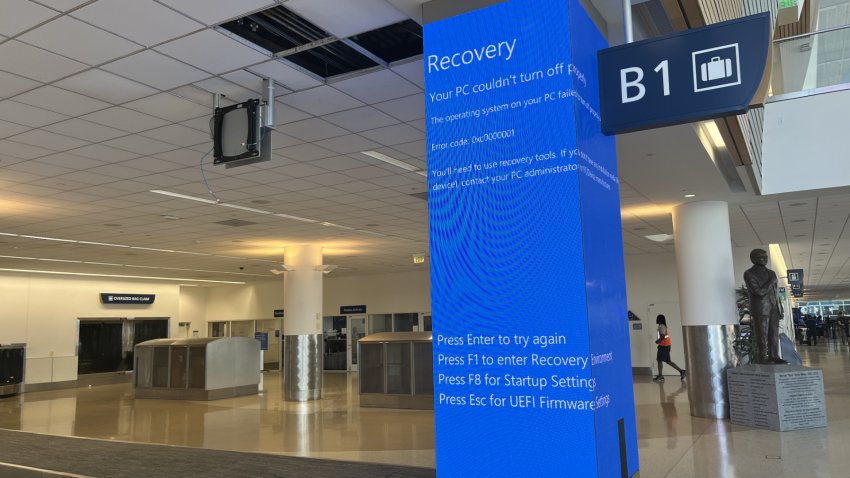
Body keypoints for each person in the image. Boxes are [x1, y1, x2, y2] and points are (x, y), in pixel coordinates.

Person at [743, 248, 787, 364]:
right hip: (761, 308)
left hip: (774, 307)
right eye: (761, 258)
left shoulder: (771, 273)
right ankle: (762, 357)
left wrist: (779, 308)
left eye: (765, 257)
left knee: (774, 333)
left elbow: (775, 292)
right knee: (761, 334)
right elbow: (758, 292)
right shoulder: (749, 274)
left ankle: (774, 355)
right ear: (753, 259)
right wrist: (770, 282)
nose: (764, 260)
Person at [653, 314, 686, 383]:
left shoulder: (661, 326)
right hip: (665, 345)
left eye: (657, 318)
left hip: (664, 346)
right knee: (664, 360)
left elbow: (662, 336)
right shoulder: (662, 326)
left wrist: (657, 341)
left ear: (660, 319)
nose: (656, 319)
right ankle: (681, 371)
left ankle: (661, 376)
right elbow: (665, 336)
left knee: (662, 360)